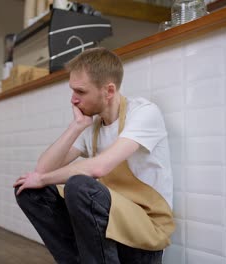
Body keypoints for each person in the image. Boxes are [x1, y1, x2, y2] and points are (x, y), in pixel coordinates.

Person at [13, 47, 174, 264]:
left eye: (80, 92)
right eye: (72, 91)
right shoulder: (93, 126)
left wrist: (42, 178)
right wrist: (76, 126)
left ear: (108, 91)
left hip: (144, 233)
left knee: (79, 186)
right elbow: (42, 170)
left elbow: (99, 168)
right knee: (29, 191)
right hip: (107, 232)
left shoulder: (144, 113)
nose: (73, 100)